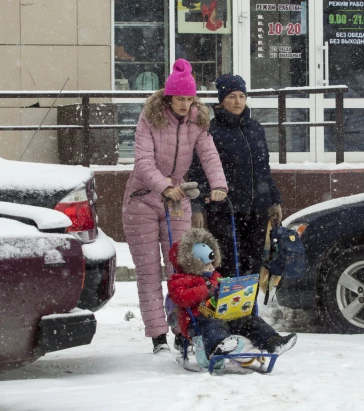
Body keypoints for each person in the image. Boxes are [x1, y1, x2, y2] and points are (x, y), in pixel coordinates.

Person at [122, 59, 228, 354]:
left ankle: (183, 329)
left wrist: (219, 185)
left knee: (182, 269)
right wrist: (164, 185)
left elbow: (209, 154)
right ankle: (158, 338)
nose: (184, 104)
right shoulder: (150, 118)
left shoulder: (197, 120)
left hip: (177, 199)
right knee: (148, 272)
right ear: (168, 97)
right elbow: (142, 162)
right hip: (142, 199)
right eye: (179, 98)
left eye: (189, 98)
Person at [189, 73, 282, 278]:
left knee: (254, 262)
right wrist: (198, 206)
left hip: (257, 208)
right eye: (231, 96)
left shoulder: (255, 128)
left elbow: (264, 168)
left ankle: (249, 308)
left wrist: (274, 201)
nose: (238, 101)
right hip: (225, 210)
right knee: (228, 264)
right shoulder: (211, 131)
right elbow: (198, 170)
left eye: (241, 95)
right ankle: (229, 310)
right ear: (221, 100)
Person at [167, 228, 297, 359]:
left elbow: (221, 289)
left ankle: (273, 342)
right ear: (192, 263)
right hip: (197, 321)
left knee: (250, 321)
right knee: (213, 324)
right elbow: (180, 298)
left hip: (224, 316)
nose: (211, 267)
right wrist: (205, 290)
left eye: (212, 263)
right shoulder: (178, 280)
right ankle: (217, 347)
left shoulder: (214, 276)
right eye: (206, 265)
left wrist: (228, 290)